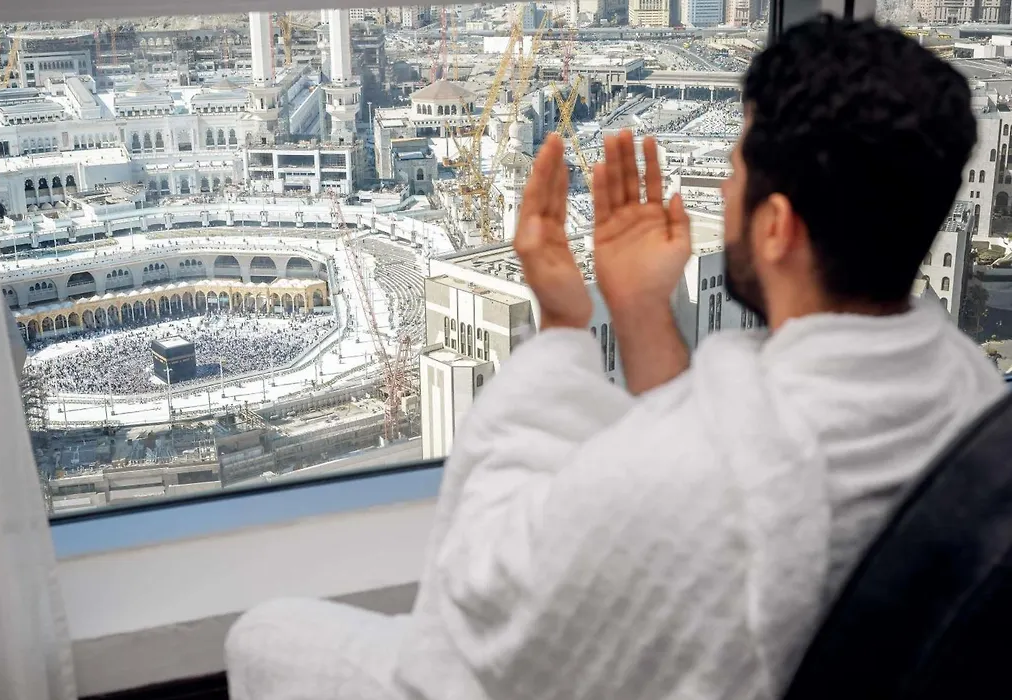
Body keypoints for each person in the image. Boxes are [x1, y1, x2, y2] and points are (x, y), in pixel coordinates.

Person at [225, 16, 1005, 700]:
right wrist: (637, 306)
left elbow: (485, 597)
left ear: (777, 229)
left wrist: (562, 327)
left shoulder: (696, 483)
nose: (722, 192)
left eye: (733, 173)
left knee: (264, 636)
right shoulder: (965, 393)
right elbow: (725, 445)